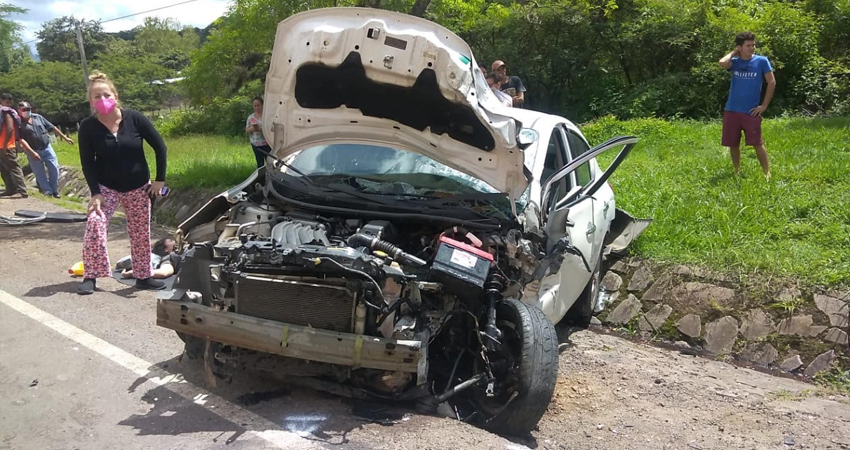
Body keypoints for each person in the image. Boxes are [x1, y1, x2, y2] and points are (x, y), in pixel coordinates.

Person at [76, 71, 168, 295]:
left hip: (137, 186)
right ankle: (91, 275)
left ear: (115, 96)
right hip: (106, 187)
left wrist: (159, 181)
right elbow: (87, 162)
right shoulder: (88, 127)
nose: (102, 100)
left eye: (106, 94)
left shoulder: (135, 118)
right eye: (96, 97)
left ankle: (143, 276)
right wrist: (95, 193)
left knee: (140, 233)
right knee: (95, 224)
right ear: (91, 102)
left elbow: (160, 147)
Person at [718, 31, 775, 179]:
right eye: (748, 45)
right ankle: (737, 171)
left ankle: (767, 173)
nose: (752, 48)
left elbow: (772, 82)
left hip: (751, 111)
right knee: (733, 143)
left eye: (753, 45)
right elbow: (722, 63)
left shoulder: (761, 61)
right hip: (732, 110)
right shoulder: (735, 63)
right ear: (740, 47)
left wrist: (764, 106)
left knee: (757, 143)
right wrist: (734, 52)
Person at [18, 101, 74, 198]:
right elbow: (21, 139)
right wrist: (32, 152)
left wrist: (65, 137)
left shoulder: (38, 117)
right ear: (19, 111)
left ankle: (54, 190)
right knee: (39, 172)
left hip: (46, 147)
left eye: (28, 109)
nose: (27, 111)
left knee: (54, 168)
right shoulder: (18, 123)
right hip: (33, 150)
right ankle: (47, 191)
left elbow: (52, 127)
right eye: (24, 110)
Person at [1, 93, 39, 198]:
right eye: (6, 102)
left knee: (13, 168)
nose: (8, 104)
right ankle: (10, 189)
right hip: (2, 145)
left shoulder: (6, 112)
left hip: (7, 145)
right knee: (3, 169)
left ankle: (21, 191)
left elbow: (10, 129)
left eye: (9, 102)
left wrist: (5, 145)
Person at [117, 237, 182, 279]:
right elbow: (164, 273)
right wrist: (134, 272)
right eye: (174, 247)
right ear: (166, 250)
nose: (177, 247)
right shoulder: (168, 258)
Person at [246, 96, 270, 169]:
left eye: (258, 105)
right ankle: (261, 179)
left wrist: (260, 130)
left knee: (270, 163)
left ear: (262, 105)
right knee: (260, 163)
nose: (257, 108)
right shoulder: (250, 117)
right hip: (255, 144)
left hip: (267, 144)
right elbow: (247, 130)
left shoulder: (267, 116)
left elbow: (272, 129)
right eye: (255, 106)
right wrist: (252, 129)